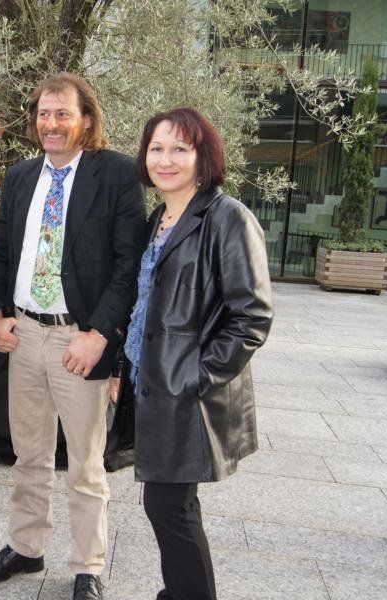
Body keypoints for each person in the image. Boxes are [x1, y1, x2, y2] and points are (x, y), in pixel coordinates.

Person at [0, 73, 146, 600]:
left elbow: (129, 265)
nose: (51, 123)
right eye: (44, 114)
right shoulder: (21, 176)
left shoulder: (116, 174)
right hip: (25, 334)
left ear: (86, 120)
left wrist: (100, 334)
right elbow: (1, 252)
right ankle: (26, 547)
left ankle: (88, 566)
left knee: (86, 464)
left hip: (80, 340)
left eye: (62, 114)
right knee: (28, 454)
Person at [116, 107, 273, 600]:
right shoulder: (159, 218)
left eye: (179, 149)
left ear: (203, 156)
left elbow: (252, 316)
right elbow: (145, 302)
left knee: (169, 507)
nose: (165, 160)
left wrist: (197, 376)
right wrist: (126, 368)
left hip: (187, 393)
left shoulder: (227, 218)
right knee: (172, 506)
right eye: (156, 148)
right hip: (153, 385)